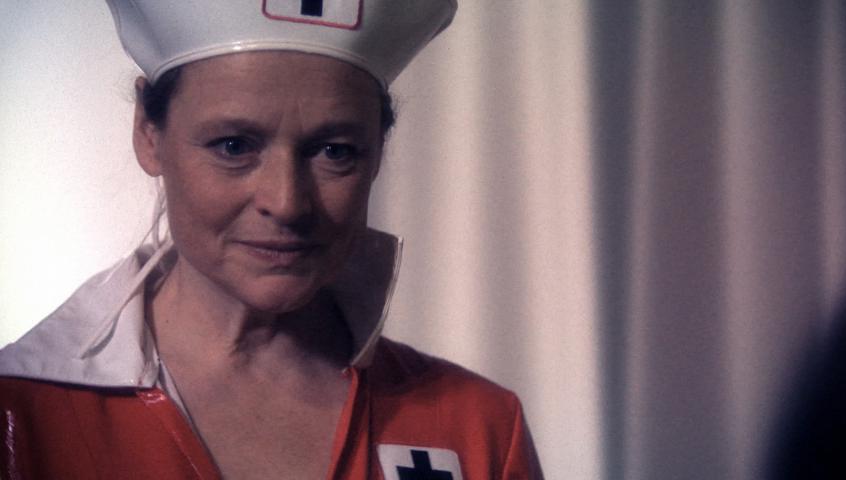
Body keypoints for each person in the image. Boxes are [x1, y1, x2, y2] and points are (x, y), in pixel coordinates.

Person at [0, 1, 543, 478]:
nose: (286, 202)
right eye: (234, 145)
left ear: (379, 149)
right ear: (148, 132)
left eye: (334, 151)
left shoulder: (478, 430)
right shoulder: (23, 414)